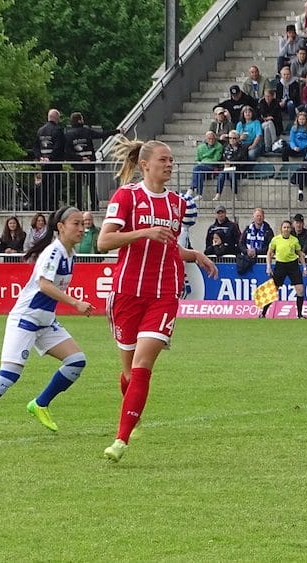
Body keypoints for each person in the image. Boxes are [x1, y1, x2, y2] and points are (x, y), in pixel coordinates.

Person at [97, 139, 218, 463]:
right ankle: (131, 414)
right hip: (126, 293)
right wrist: (143, 232)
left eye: (172, 160)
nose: (170, 165)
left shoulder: (178, 204)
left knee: (142, 365)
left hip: (163, 294)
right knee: (128, 369)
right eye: (164, 160)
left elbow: (168, 247)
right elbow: (103, 241)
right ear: (145, 164)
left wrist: (194, 255)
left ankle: (120, 440)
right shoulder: (127, 196)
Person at [0, 207, 95, 440]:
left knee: (76, 361)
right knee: (8, 376)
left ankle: (40, 404)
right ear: (60, 227)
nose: (81, 228)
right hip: (25, 320)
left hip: (45, 322)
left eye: (83, 224)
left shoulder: (70, 254)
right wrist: (75, 303)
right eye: (76, 224)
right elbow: (44, 285)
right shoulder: (53, 253)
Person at [64, 112, 119, 211]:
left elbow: (68, 151)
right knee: (92, 186)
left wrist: (79, 159)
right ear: (80, 120)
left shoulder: (68, 134)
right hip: (90, 163)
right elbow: (101, 134)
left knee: (78, 187)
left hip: (78, 165)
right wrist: (117, 131)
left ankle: (79, 207)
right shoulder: (87, 131)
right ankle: (94, 206)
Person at [262, 220, 307, 319]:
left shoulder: (294, 240)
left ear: (290, 229)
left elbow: (300, 254)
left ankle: (300, 315)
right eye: (284, 227)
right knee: (273, 290)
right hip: (280, 265)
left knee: (300, 290)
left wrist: (304, 267)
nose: (286, 229)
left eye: (288, 227)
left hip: (293, 265)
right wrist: (268, 267)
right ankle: (263, 313)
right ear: (281, 229)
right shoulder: (276, 240)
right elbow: (270, 254)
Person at [33, 109, 64, 212]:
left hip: (43, 164)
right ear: (56, 118)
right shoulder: (58, 130)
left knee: (44, 185)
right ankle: (52, 207)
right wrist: (50, 158)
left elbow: (36, 147)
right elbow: (59, 147)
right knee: (54, 187)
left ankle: (43, 206)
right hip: (55, 163)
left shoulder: (40, 130)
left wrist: (40, 157)